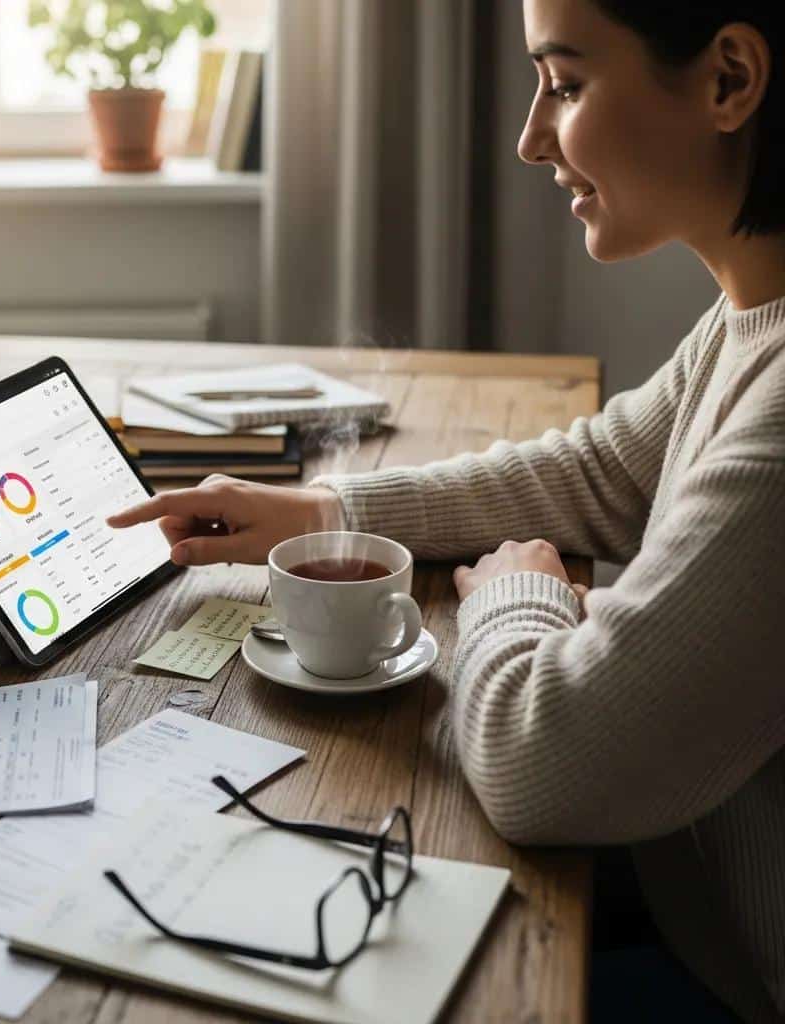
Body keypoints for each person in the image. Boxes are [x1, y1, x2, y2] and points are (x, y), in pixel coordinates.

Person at [107, 2, 785, 1020]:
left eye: (564, 83)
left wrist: (514, 599)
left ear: (729, 80)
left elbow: (541, 764)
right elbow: (603, 469)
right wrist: (321, 511)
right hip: (684, 903)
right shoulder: (750, 319)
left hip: (731, 978)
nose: (528, 136)